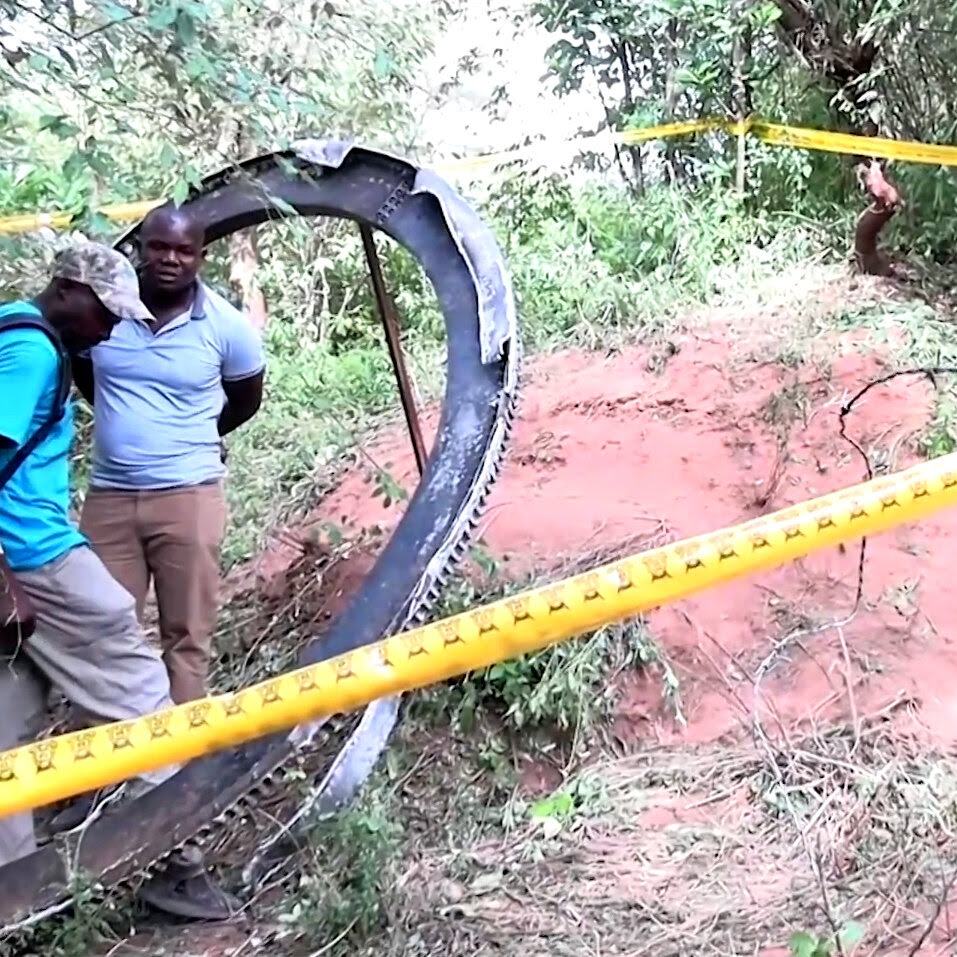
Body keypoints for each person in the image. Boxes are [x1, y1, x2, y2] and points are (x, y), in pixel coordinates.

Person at [0, 242, 237, 920]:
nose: (109, 330)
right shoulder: (35, 351)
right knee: (143, 698)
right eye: (106, 314)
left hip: (23, 561)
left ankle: (14, 896)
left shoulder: (9, 325)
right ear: (71, 291)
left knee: (6, 723)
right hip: (37, 559)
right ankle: (177, 865)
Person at [72, 204, 265, 705]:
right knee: (105, 633)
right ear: (140, 247)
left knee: (186, 636)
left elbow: (246, 398)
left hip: (189, 498)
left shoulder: (227, 326)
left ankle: (177, 771)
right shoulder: (103, 309)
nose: (170, 259)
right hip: (110, 500)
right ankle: (110, 767)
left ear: (202, 256)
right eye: (159, 246)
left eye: (184, 250)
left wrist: (197, 430)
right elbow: (86, 374)